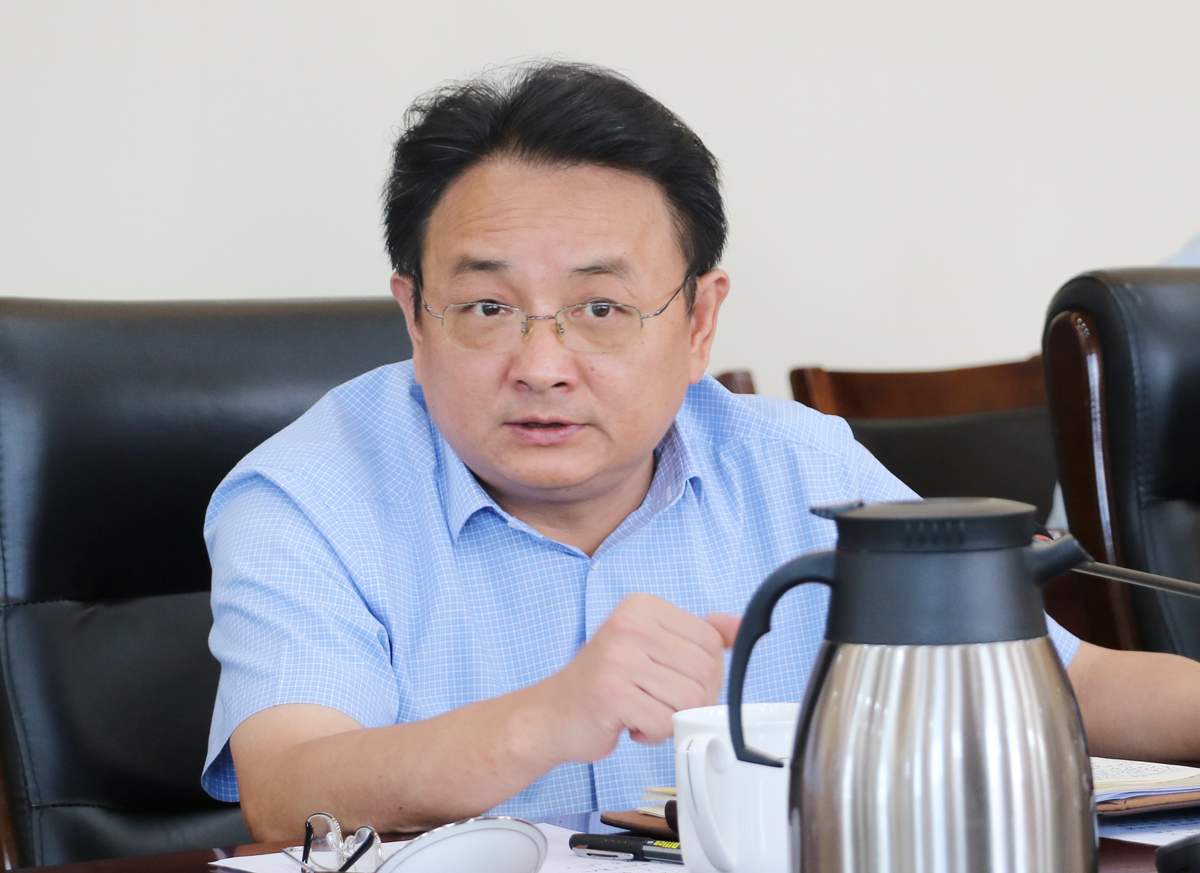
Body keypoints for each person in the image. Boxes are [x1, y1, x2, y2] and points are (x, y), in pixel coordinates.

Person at [202, 62, 1200, 842]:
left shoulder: (800, 465)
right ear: (415, 317)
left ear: (699, 322)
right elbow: (286, 788)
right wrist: (546, 719)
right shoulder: (311, 493)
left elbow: (1062, 681)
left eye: (601, 307)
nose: (542, 366)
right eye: (487, 307)